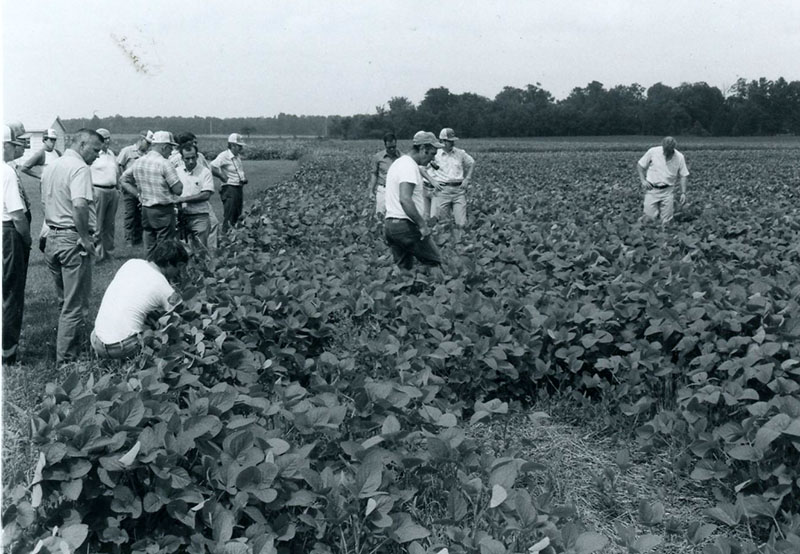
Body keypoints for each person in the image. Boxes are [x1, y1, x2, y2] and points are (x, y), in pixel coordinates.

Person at [41, 129, 103, 364]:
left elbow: (45, 202)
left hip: (52, 238)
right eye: (95, 150)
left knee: (64, 302)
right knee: (74, 304)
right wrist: (85, 239)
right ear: (82, 144)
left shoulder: (53, 166)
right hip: (71, 240)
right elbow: (79, 205)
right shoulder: (79, 168)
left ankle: (68, 347)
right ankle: (67, 359)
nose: (98, 155)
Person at [91, 239, 187, 359]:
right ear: (168, 263)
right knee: (156, 332)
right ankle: (148, 361)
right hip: (121, 348)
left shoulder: (131, 263)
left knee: (147, 315)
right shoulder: (164, 287)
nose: (178, 272)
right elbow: (180, 315)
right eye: (179, 267)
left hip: (96, 340)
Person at [384, 131, 444, 274]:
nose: (432, 159)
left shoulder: (399, 163)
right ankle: (438, 292)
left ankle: (401, 292)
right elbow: (405, 199)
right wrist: (422, 225)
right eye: (432, 153)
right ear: (423, 149)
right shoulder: (408, 166)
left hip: (390, 225)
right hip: (405, 225)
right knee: (434, 261)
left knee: (404, 268)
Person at [119, 131, 183, 257]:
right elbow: (178, 189)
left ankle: (150, 268)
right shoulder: (165, 163)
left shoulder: (139, 161)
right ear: (164, 147)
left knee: (150, 244)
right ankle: (163, 272)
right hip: (163, 210)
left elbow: (123, 180)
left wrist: (138, 195)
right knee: (165, 246)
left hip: (146, 209)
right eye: (170, 147)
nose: (171, 151)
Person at [2, 125, 32, 364]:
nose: (18, 148)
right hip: (9, 234)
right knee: (12, 294)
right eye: (15, 144)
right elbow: (17, 215)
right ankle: (8, 352)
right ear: (5, 145)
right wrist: (27, 238)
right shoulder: (7, 173)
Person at [170, 132, 220, 250]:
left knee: (200, 248)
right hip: (182, 215)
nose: (191, 161)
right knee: (184, 249)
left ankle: (202, 266)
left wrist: (183, 199)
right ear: (182, 159)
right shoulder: (176, 172)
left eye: (193, 157)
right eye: (187, 158)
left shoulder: (204, 172)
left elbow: (206, 194)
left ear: (197, 156)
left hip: (200, 215)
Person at [428, 128, 475, 242]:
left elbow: (472, 163)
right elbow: (422, 168)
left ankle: (460, 244)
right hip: (442, 190)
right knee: (441, 223)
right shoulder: (435, 154)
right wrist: (432, 181)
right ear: (442, 141)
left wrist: (467, 179)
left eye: (453, 140)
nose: (453, 143)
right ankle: (444, 248)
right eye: (450, 141)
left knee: (461, 223)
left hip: (459, 191)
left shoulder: (460, 153)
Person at [20, 128, 62, 251]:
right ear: (44, 140)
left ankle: (50, 238)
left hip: (58, 186)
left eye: (54, 140)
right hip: (47, 187)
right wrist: (40, 176)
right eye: (50, 140)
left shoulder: (58, 153)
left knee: (58, 211)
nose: (53, 142)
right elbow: (25, 168)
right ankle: (44, 238)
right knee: (50, 212)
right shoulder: (41, 154)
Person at [636, 136, 689, 225]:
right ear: (663, 147)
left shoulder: (679, 157)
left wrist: (683, 193)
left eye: (669, 150)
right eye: (665, 150)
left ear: (673, 148)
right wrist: (643, 180)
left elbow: (683, 175)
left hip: (668, 191)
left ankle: (664, 234)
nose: (666, 153)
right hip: (652, 189)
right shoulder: (653, 152)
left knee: (667, 221)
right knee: (649, 218)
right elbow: (640, 165)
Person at [116, 130, 152, 246]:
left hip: (143, 188)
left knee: (141, 215)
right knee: (130, 214)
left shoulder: (148, 154)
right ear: (141, 140)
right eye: (147, 143)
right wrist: (123, 181)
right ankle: (129, 240)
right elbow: (119, 165)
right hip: (129, 187)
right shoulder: (127, 151)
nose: (149, 146)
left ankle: (138, 239)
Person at [91, 128, 119, 261]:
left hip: (112, 191)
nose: (107, 141)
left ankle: (109, 253)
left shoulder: (111, 154)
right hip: (98, 190)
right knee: (97, 225)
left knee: (110, 225)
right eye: (103, 138)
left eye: (108, 138)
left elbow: (116, 172)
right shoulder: (94, 154)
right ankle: (96, 254)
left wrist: (117, 189)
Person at [210, 133, 248, 231]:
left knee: (237, 215)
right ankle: (225, 238)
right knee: (230, 216)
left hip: (238, 188)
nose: (241, 148)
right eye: (239, 146)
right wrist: (222, 176)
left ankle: (233, 238)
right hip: (230, 188)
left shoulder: (237, 157)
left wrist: (243, 179)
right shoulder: (224, 156)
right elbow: (212, 167)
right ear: (232, 145)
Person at [368, 132, 401, 215]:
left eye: (394, 147)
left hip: (397, 189)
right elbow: (374, 174)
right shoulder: (378, 157)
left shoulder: (402, 157)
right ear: (385, 145)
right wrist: (371, 191)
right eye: (389, 148)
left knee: (396, 214)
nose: (392, 149)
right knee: (380, 213)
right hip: (383, 189)